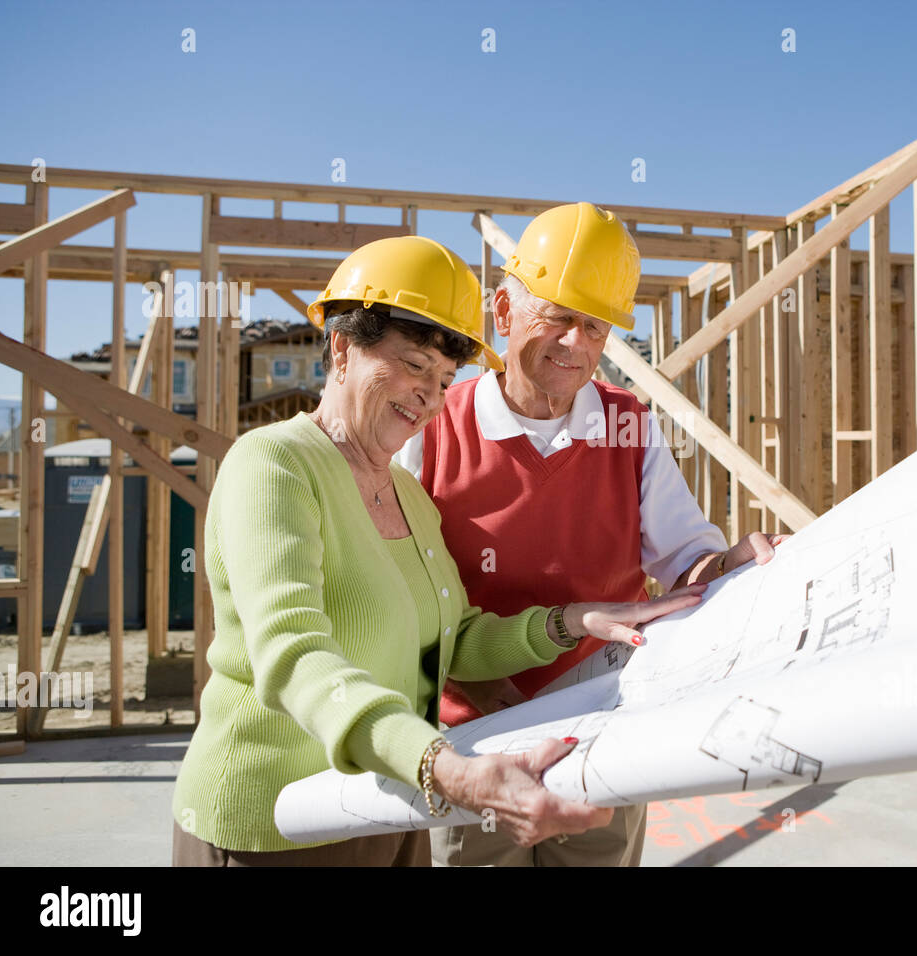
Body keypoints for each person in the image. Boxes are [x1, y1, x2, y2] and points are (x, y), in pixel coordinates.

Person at [170, 234, 704, 866]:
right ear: (342, 346)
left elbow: (454, 641)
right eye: (415, 366)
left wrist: (570, 622)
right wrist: (445, 768)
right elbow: (292, 654)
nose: (430, 394)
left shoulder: (403, 493)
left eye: (446, 377)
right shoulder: (273, 464)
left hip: (391, 810)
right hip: (280, 822)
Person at [396, 202, 784, 867]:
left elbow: (685, 558)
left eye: (596, 327)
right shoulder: (434, 428)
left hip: (604, 732)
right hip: (477, 741)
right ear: (504, 312)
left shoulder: (629, 424)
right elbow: (401, 594)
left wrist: (727, 567)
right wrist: (481, 699)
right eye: (558, 318)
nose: (578, 345)